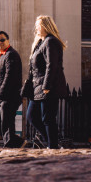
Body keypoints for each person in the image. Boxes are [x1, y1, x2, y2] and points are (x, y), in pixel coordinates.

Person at [27, 15, 69, 150]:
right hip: (37, 87)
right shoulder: (41, 42)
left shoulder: (51, 41)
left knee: (47, 118)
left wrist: (47, 86)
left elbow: (52, 65)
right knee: (32, 116)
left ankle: (53, 146)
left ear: (45, 26)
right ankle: (53, 143)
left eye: (38, 25)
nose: (36, 28)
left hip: (48, 87)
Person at [0, 31, 24, 148]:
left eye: (2, 40)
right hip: (0, 97)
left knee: (7, 123)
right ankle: (16, 141)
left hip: (10, 96)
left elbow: (10, 78)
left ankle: (10, 145)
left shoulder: (11, 55)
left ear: (8, 40)